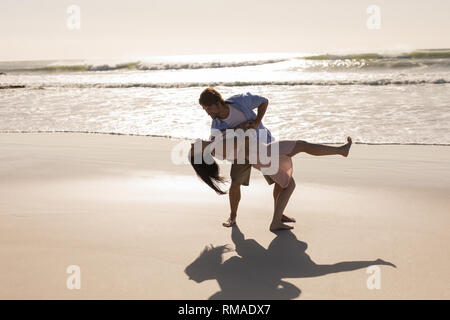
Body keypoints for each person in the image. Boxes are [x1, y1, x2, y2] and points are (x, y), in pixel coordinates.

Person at [190, 133, 352, 231]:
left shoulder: (215, 145)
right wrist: (248, 128)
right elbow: (245, 141)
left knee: (288, 183)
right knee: (302, 146)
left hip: (262, 155)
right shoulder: (218, 146)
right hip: (265, 153)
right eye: (193, 148)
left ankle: (277, 219)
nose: (191, 143)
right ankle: (341, 151)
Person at [198, 88, 296, 228]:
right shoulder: (216, 124)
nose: (207, 112)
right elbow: (217, 145)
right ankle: (232, 217)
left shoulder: (240, 101)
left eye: (209, 108)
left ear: (218, 103)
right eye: (204, 109)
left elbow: (263, 101)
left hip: (263, 145)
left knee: (280, 180)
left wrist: (257, 121)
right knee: (236, 183)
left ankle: (278, 214)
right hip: (241, 153)